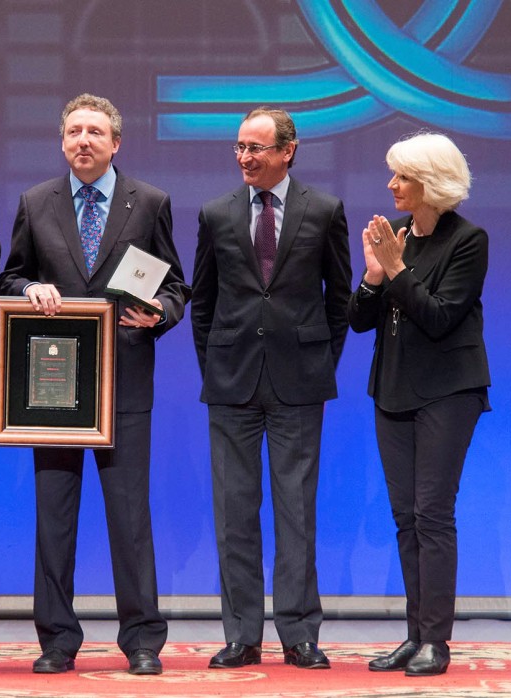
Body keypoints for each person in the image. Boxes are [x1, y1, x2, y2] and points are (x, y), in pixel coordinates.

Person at [0, 93, 189, 676]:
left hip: (125, 382)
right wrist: (29, 289)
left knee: (129, 518)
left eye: (96, 131)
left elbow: (176, 286)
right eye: (75, 131)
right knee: (53, 517)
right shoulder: (37, 202)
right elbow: (12, 273)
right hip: (52, 391)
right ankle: (57, 640)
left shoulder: (149, 202)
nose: (84, 140)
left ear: (116, 143)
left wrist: (160, 311)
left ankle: (142, 642)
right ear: (62, 141)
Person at [191, 107, 352, 670]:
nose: (244, 157)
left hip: (299, 383)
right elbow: (203, 304)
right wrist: (215, 364)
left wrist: (318, 364)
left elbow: (339, 302)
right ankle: (241, 634)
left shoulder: (325, 210)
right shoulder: (216, 214)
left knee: (296, 512)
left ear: (288, 150)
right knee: (234, 513)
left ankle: (299, 634)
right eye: (239, 147)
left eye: (256, 148)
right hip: (232, 382)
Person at [347, 132, 490, 677]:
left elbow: (438, 316)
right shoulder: (397, 236)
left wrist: (398, 271)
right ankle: (414, 637)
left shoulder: (468, 240)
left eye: (402, 176)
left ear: (432, 183)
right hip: (394, 389)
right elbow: (361, 320)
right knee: (405, 518)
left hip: (448, 393)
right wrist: (374, 274)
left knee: (432, 515)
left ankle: (437, 642)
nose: (391, 186)